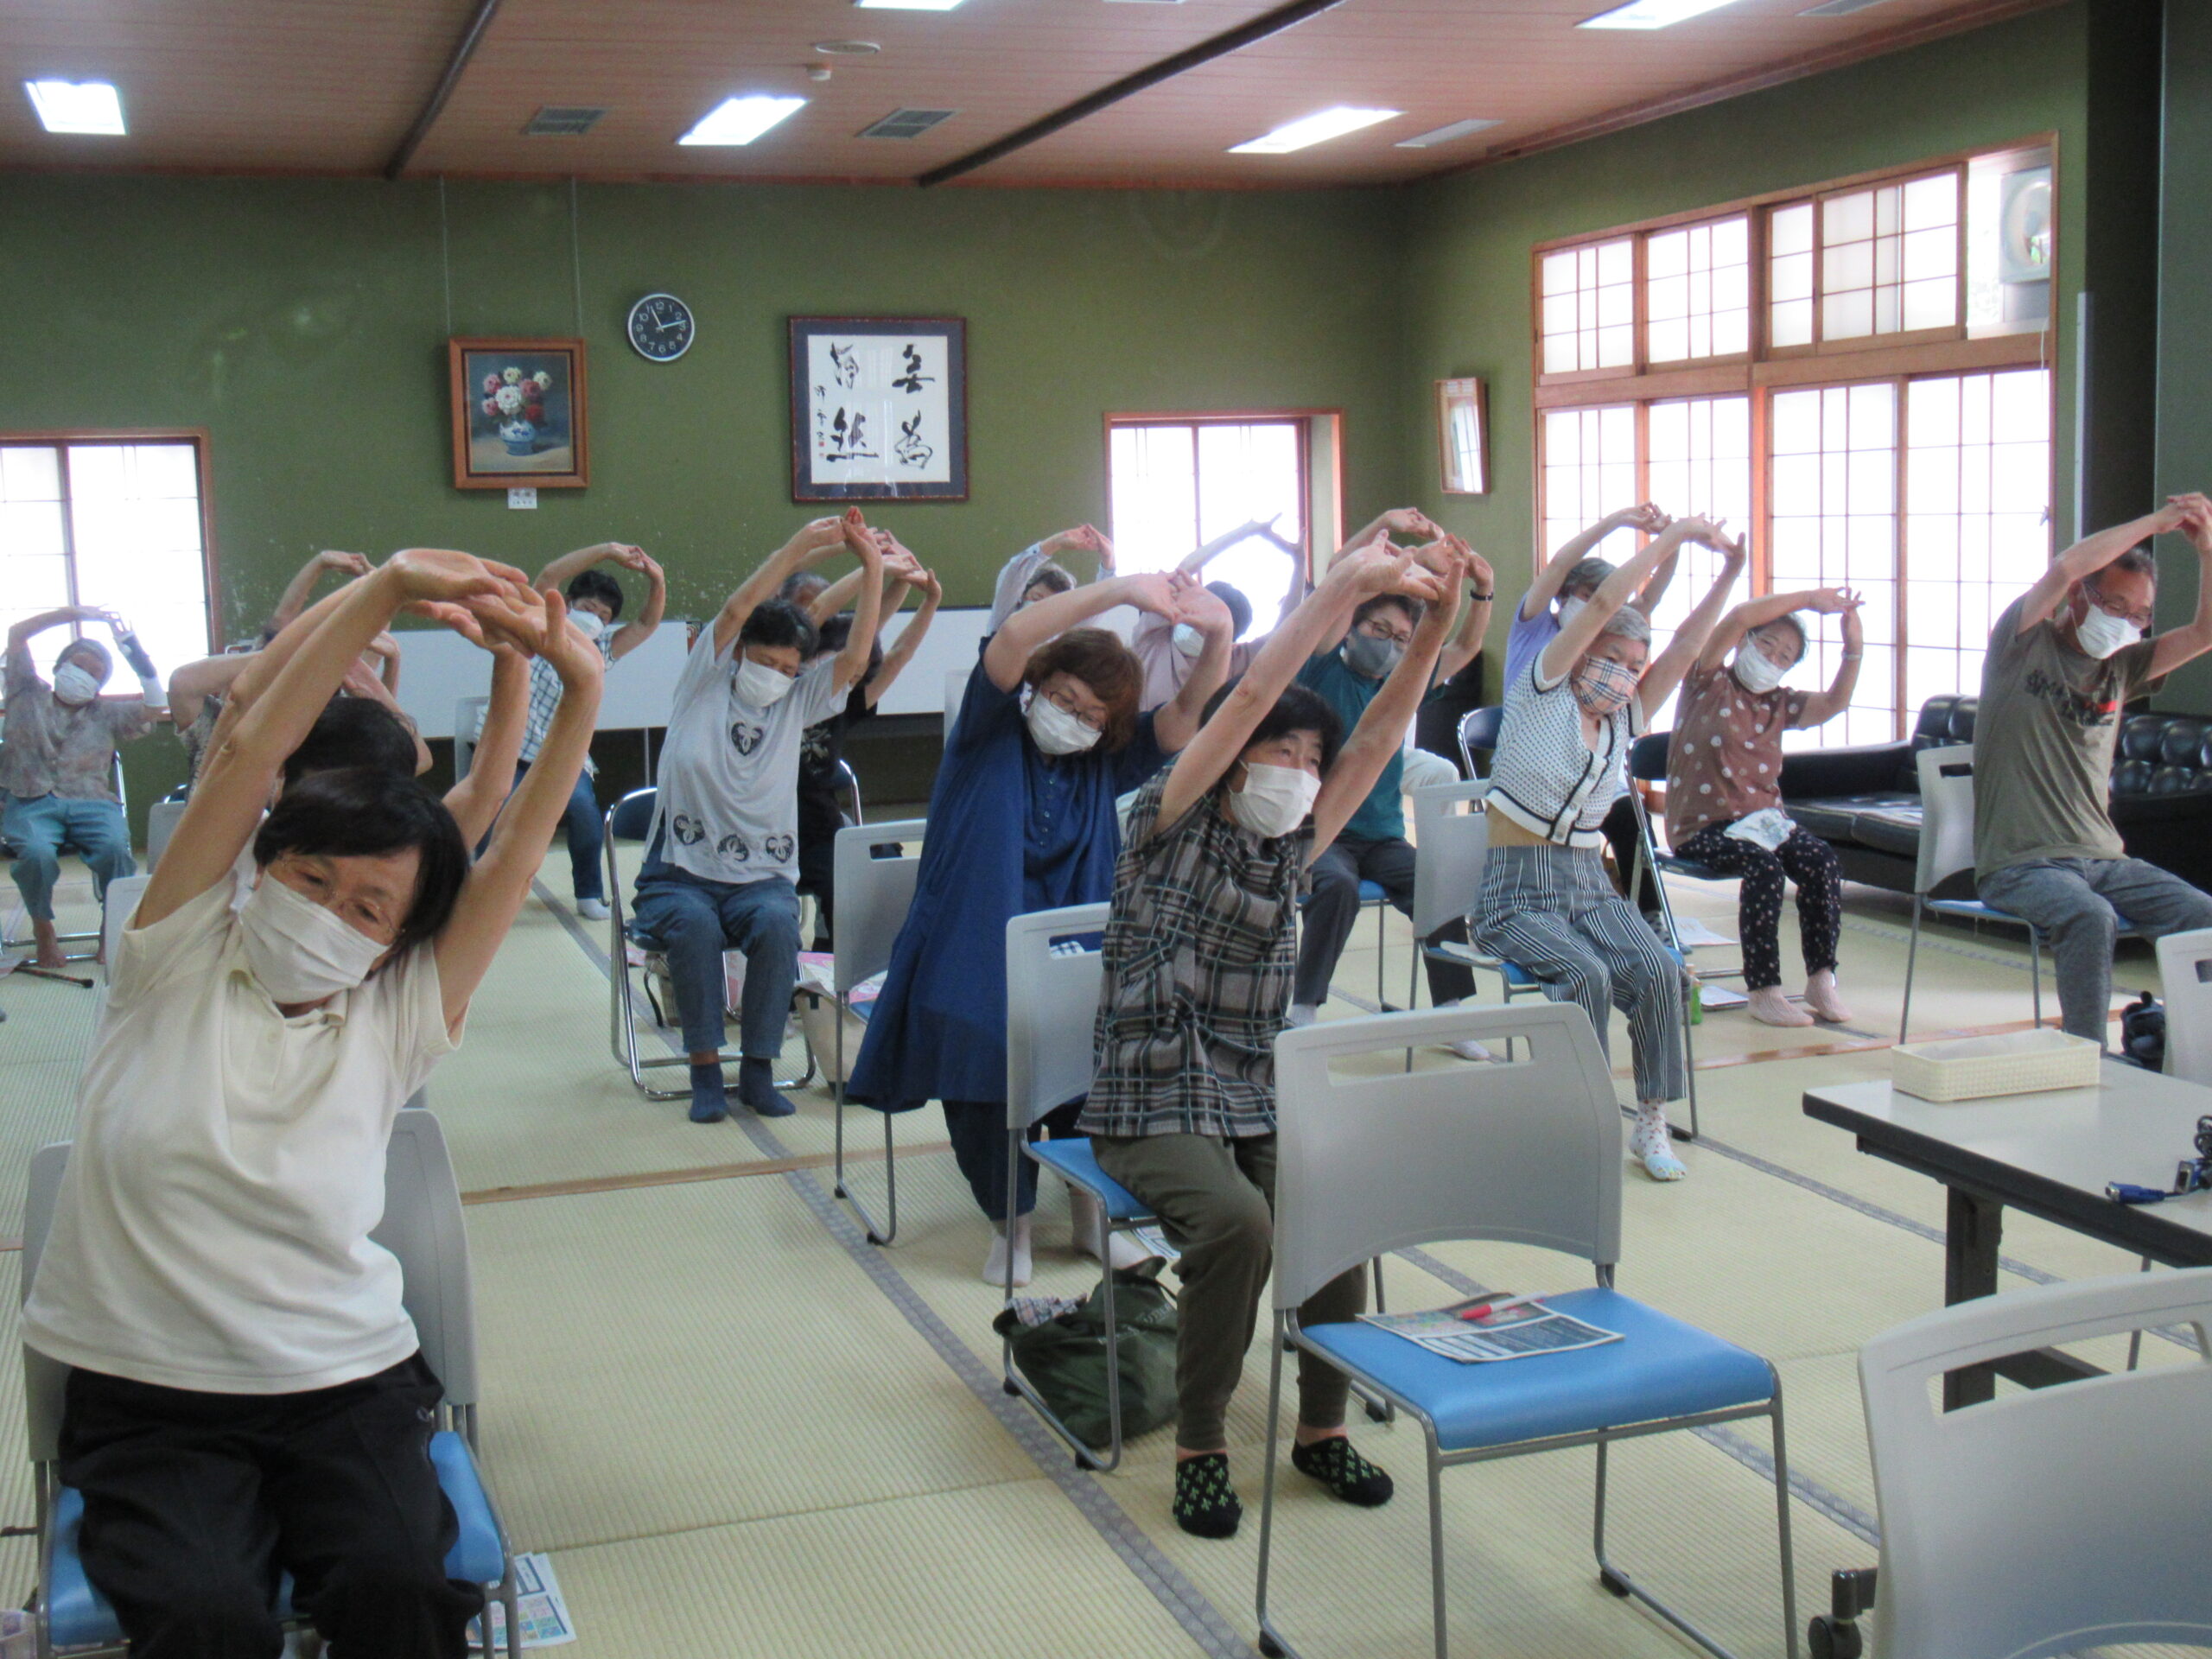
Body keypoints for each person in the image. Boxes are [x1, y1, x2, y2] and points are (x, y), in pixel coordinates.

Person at [22, 547, 601, 1659]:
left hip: (344, 1386)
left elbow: (511, 840)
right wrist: (382, 590)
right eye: (313, 880)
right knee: (204, 1619)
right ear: (265, 865)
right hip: (152, 1399)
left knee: (400, 1586)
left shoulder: (395, 1015)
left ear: (399, 939)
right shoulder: (171, 953)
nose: (335, 912)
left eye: (371, 905)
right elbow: (247, 737)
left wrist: (577, 686)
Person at [1081, 535, 1459, 1539]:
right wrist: (1337, 590)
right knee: (1239, 1224)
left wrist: (1436, 623)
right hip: (1147, 1092)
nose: (1296, 771)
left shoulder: (1290, 850)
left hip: (1250, 1087)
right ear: (1233, 756)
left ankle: (1322, 1428)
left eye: (1307, 760)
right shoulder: (1164, 822)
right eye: (1279, 755)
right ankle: (1203, 1441)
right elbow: (1246, 698)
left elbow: (1376, 740)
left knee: (1338, 1206)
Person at [847, 564, 1233, 1286]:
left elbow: (1186, 716)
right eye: (1062, 699)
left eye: (1092, 715)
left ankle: (1092, 1217)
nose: (1073, 718)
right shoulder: (986, 734)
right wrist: (1122, 591)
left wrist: (1219, 634)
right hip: (968, 956)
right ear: (1035, 689)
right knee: (982, 1052)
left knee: (1103, 1054)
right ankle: (1012, 1225)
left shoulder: (1105, 763)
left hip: (1075, 959)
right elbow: (1016, 635)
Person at [1474, 516, 1744, 1181]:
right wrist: (1671, 539)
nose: (1625, 675)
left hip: (1591, 882)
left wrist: (1732, 574)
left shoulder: (1624, 716)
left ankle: (1649, 1121)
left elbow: (1683, 648)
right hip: (1516, 889)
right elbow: (1599, 603)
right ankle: (1581, 1116)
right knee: (1585, 974)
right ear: (1586, 647)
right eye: (1614, 659)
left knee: (1657, 971)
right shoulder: (1540, 690)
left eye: (1633, 667)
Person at [633, 514, 886, 1124]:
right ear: (741, 651)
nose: (774, 676)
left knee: (777, 926)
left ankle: (758, 1070)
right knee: (692, 927)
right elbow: (738, 605)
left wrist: (874, 569)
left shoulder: (798, 701)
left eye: (787, 668)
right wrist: (799, 545)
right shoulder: (706, 681)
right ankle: (703, 1071)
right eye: (764, 660)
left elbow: (854, 657)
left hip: (762, 878)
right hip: (679, 874)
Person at [1973, 497, 2212, 1044]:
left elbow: (2205, 633)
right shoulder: (2023, 645)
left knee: (2204, 916)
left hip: (2106, 858)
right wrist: (2156, 521)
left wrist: (2206, 549)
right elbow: (2064, 567)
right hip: (2021, 864)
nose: (2127, 623)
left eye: (2140, 615)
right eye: (2116, 606)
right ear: (2082, 596)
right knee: (2090, 917)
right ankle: (2087, 1053)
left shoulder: (2122, 669)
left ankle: (2188, 1046)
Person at [1287, 532, 1494, 1048]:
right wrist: (1390, 565)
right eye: (1379, 628)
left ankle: (1449, 1012)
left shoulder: (1400, 684)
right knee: (1336, 888)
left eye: (1402, 638)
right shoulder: (1319, 667)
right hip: (1322, 831)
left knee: (1437, 885)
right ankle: (1303, 1007)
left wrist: (1481, 592)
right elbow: (1337, 590)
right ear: (1353, 629)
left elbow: (1465, 646)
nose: (1390, 642)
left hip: (1382, 837)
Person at [1665, 588, 1865, 1027]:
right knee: (1764, 869)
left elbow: (1834, 704)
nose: (1773, 658)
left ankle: (1821, 978)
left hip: (1764, 820)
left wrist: (1853, 647)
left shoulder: (1780, 702)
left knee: (1821, 861)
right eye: (1766, 645)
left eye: (1785, 656)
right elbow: (1737, 616)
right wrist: (1808, 600)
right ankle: (1764, 989)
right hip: (1703, 825)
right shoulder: (1707, 680)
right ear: (1744, 644)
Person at [1508, 505, 1678, 908]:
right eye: (1587, 596)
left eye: (1604, 600)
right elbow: (1558, 565)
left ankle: (1650, 917)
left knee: (1632, 822)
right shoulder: (1536, 626)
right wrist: (1617, 522)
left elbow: (1652, 597)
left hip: (1588, 766)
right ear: (1565, 595)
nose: (1598, 606)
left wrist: (1674, 545)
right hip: (1532, 766)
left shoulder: (1608, 639)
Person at [795, 533, 942, 950]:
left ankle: (837, 974)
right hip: (769, 836)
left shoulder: (841, 701)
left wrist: (921, 594)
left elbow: (885, 648)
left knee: (878, 869)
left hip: (822, 834)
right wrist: (874, 567)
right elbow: (822, 625)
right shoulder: (775, 695)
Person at [3, 607, 165, 967]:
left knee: (114, 848)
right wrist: (75, 613)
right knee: (36, 854)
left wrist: (134, 653)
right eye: (79, 666)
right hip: (30, 800)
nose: (85, 676)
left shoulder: (107, 713)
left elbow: (157, 706)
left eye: (96, 674)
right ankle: (44, 930)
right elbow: (17, 634)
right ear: (60, 666)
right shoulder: (25, 692)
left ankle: (112, 930)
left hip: (92, 803)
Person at [523, 542, 665, 919]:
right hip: (515, 750)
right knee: (494, 811)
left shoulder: (602, 649)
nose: (594, 620)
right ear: (567, 604)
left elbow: (648, 623)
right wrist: (605, 551)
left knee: (585, 810)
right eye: (587, 609)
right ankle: (477, 890)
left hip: (564, 756)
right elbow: (550, 573)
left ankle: (589, 893)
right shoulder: (537, 625)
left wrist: (657, 579)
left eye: (603, 616)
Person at [1126, 517, 1302, 709]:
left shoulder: (1231, 662)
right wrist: (1245, 531)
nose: (1197, 627)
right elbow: (1183, 570)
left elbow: (1287, 627)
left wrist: (1299, 563)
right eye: (1197, 615)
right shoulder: (1157, 634)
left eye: (1208, 628)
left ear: (1230, 638)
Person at [987, 524, 1113, 629]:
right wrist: (1056, 542)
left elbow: (1100, 601)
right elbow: (1014, 574)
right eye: (1036, 598)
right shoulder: (1004, 621)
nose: (1040, 608)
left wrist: (1109, 558)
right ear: (1023, 595)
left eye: (1051, 605)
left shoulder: (1064, 635)